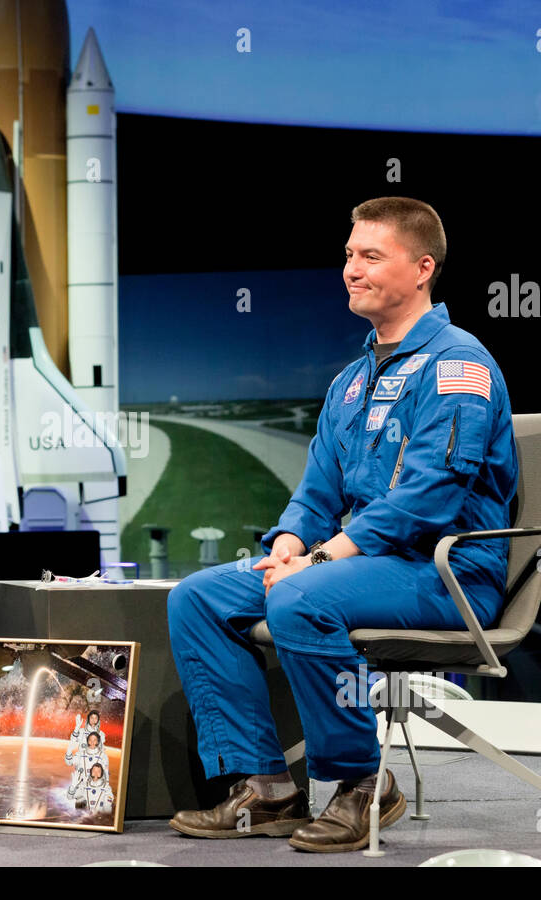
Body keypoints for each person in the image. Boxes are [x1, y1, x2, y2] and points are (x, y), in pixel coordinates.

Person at [167, 198, 518, 852]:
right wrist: (291, 546)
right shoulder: (351, 383)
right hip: (365, 568)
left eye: (371, 256)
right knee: (199, 596)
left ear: (422, 269)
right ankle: (265, 787)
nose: (352, 270)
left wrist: (321, 561)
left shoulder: (457, 364)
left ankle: (363, 787)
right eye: (349, 255)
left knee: (302, 594)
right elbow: (317, 490)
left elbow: (430, 496)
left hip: (447, 573)